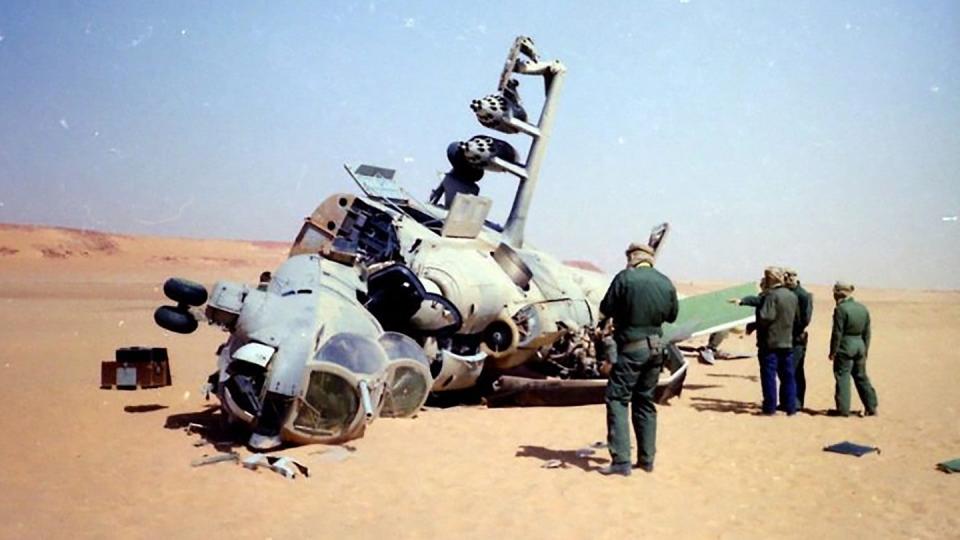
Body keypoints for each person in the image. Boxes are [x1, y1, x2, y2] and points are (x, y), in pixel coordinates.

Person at [597, 242, 678, 476]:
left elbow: (606, 307)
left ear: (632, 257)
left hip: (631, 348)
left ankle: (621, 461)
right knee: (645, 401)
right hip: (656, 349)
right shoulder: (665, 281)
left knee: (617, 399)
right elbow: (672, 316)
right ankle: (647, 459)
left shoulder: (625, 278)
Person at [828, 281, 878, 417]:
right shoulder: (862, 308)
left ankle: (843, 409)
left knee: (842, 377)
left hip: (845, 346)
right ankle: (871, 406)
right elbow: (867, 333)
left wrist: (833, 351)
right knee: (861, 376)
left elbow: (837, 332)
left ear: (839, 293)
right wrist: (865, 349)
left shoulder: (841, 309)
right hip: (860, 346)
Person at [756, 267, 799, 415]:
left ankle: (769, 408)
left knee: (769, 376)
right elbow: (797, 318)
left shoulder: (772, 296)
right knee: (788, 376)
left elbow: (765, 317)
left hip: (770, 342)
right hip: (787, 341)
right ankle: (791, 407)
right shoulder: (792, 296)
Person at [784, 268, 813, 410]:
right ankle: (786, 401)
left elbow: (805, 319)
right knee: (785, 371)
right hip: (784, 337)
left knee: (795, 370)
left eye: (791, 276)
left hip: (796, 338)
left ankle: (797, 402)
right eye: (786, 276)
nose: (788, 279)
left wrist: (792, 326)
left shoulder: (803, 295)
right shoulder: (785, 293)